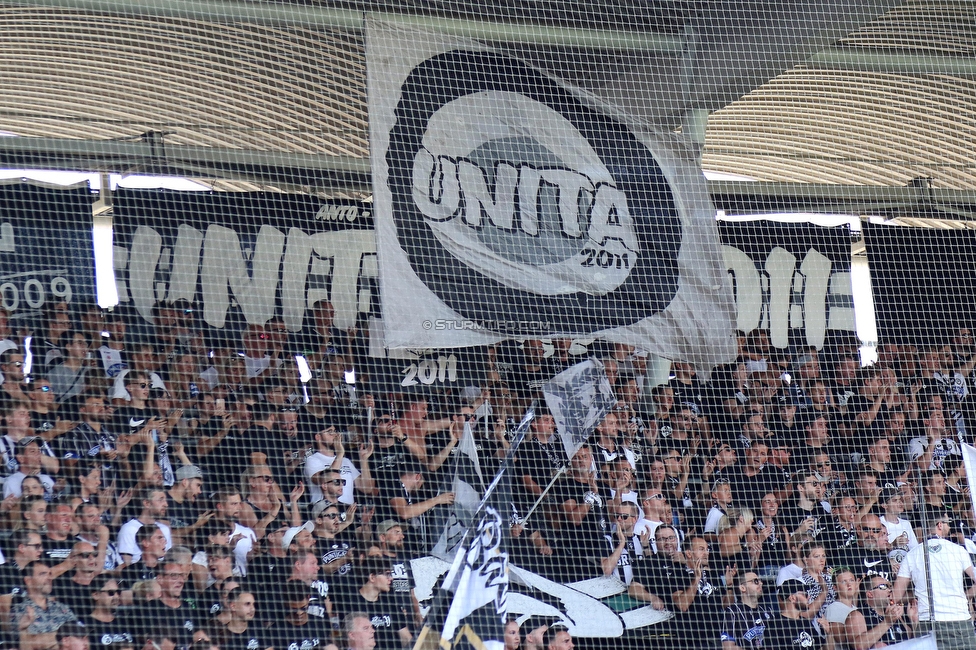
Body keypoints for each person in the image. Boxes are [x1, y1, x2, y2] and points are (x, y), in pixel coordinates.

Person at [893, 516, 976, 649]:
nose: (949, 528)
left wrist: (915, 596)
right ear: (939, 525)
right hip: (959, 619)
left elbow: (895, 596)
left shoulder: (912, 554)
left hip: (927, 621)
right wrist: (966, 596)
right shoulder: (958, 550)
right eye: (948, 524)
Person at [764, 579, 821, 650]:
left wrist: (829, 633)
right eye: (805, 595)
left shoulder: (805, 622)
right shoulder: (774, 626)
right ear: (792, 598)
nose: (809, 597)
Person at [720, 572, 772, 649]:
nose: (761, 583)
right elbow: (728, 647)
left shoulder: (767, 610)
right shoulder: (732, 612)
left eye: (760, 581)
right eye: (756, 581)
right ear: (742, 588)